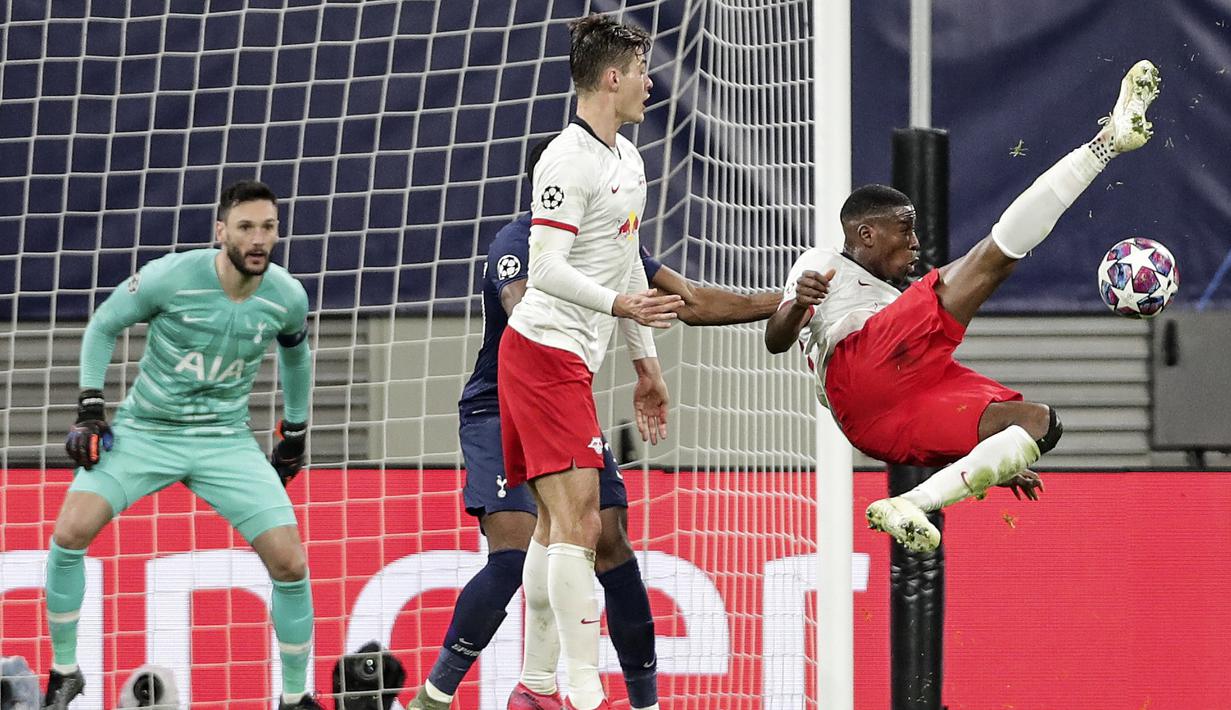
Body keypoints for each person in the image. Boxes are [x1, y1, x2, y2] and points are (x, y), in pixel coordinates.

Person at [408, 137, 779, 710]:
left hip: (564, 398)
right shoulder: (519, 240)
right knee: (516, 553)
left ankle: (631, 700)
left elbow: (691, 300)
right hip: (502, 402)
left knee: (609, 539)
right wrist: (618, 305)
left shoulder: (608, 243)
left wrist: (787, 303)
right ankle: (441, 696)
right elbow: (524, 306)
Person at [765, 60, 1160, 552]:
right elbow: (775, 340)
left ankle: (912, 504)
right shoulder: (821, 264)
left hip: (884, 418)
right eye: (904, 229)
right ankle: (1104, 145)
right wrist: (796, 306)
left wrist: (991, 463)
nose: (915, 241)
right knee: (991, 259)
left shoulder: (894, 302)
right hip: (860, 370)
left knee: (1036, 424)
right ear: (865, 234)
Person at [44, 181, 323, 710]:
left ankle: (294, 697)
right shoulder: (171, 276)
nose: (258, 239)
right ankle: (64, 671)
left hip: (224, 441)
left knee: (290, 564)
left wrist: (296, 430)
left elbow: (296, 354)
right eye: (246, 227)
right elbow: (103, 325)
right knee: (68, 533)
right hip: (148, 431)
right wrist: (89, 408)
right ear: (221, 232)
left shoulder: (286, 295)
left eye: (268, 227)